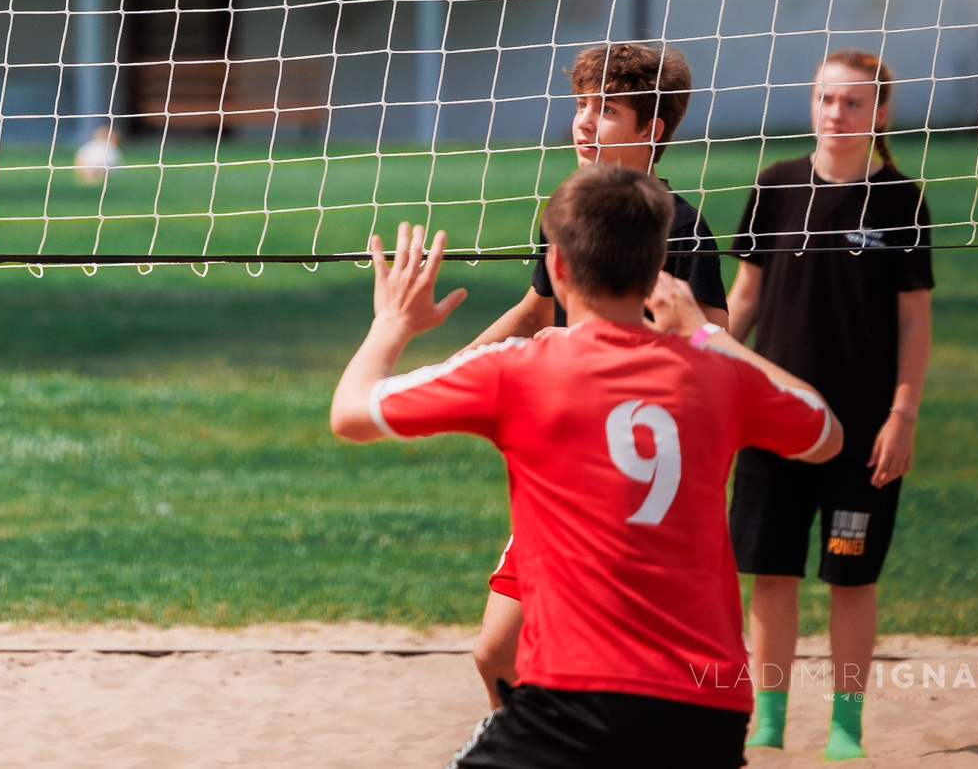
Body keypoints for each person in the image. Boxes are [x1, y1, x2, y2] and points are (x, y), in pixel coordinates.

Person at [332, 170, 842, 769]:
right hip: (711, 711)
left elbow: (351, 413)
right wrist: (705, 335)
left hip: (577, 702)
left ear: (558, 268)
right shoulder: (717, 377)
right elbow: (826, 432)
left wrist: (392, 324)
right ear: (657, 272)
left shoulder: (520, 369)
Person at [461, 41, 729, 704]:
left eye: (605, 108)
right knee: (497, 651)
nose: (583, 121)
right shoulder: (567, 213)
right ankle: (522, 738)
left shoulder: (682, 227)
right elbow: (534, 308)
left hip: (638, 478)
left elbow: (717, 339)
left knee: (617, 666)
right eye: (581, 104)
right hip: (560, 469)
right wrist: (460, 364)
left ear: (650, 130)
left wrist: (672, 338)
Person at [728, 49, 934, 761]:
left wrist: (902, 413)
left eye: (852, 102)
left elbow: (914, 320)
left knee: (850, 573)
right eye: (825, 99)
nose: (835, 113)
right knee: (771, 571)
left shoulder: (902, 199)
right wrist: (708, 376)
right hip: (772, 420)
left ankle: (847, 723)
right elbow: (745, 300)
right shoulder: (775, 187)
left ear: (879, 113)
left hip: (861, 433)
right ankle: (770, 716)